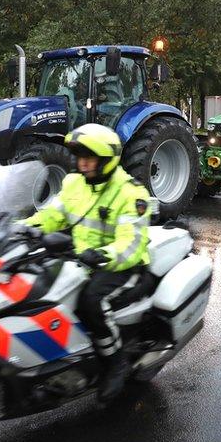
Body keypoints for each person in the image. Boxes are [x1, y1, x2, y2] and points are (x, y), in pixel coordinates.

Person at [20, 123, 152, 402]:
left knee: (91, 301)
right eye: (79, 158)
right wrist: (22, 228)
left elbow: (132, 243)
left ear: (106, 161)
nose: (82, 164)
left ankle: (116, 362)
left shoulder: (131, 193)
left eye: (88, 158)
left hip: (122, 265)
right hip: (82, 260)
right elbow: (53, 215)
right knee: (39, 289)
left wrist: (104, 255)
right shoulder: (73, 183)